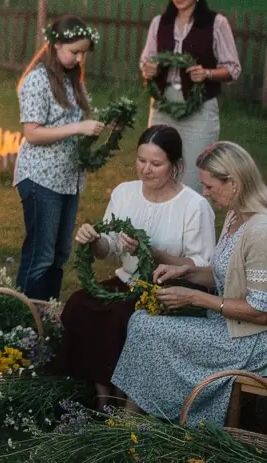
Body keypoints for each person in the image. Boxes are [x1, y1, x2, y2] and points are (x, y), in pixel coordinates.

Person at [56, 126, 215, 406]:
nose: (146, 170)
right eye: (141, 161)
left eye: (156, 164)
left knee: (120, 316)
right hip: (127, 281)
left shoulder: (194, 206)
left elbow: (201, 265)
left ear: (176, 165)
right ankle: (101, 393)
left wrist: (151, 253)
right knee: (80, 303)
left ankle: (125, 395)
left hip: (167, 290)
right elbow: (109, 248)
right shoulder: (124, 193)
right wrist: (93, 240)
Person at [113, 141, 267, 425]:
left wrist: (195, 298)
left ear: (233, 182)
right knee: (142, 321)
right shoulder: (235, 216)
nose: (205, 193)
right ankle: (136, 417)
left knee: (148, 327)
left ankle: (134, 420)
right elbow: (224, 275)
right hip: (229, 327)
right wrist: (182, 271)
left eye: (209, 186)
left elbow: (261, 312)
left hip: (250, 342)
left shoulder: (260, 230)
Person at [13, 16, 105, 301]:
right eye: (74, 52)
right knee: (41, 255)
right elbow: (32, 133)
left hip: (67, 179)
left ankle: (47, 317)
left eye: (83, 53)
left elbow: (72, 123)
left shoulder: (71, 80)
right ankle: (25, 320)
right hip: (40, 178)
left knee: (59, 254)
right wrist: (78, 127)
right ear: (54, 45)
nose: (79, 59)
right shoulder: (38, 79)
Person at [140, 0, 241, 191]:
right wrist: (149, 69)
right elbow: (146, 60)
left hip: (199, 110)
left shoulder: (216, 24)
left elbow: (233, 68)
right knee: (156, 172)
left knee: (193, 179)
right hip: (163, 107)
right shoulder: (160, 23)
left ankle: (190, 226)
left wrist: (207, 73)